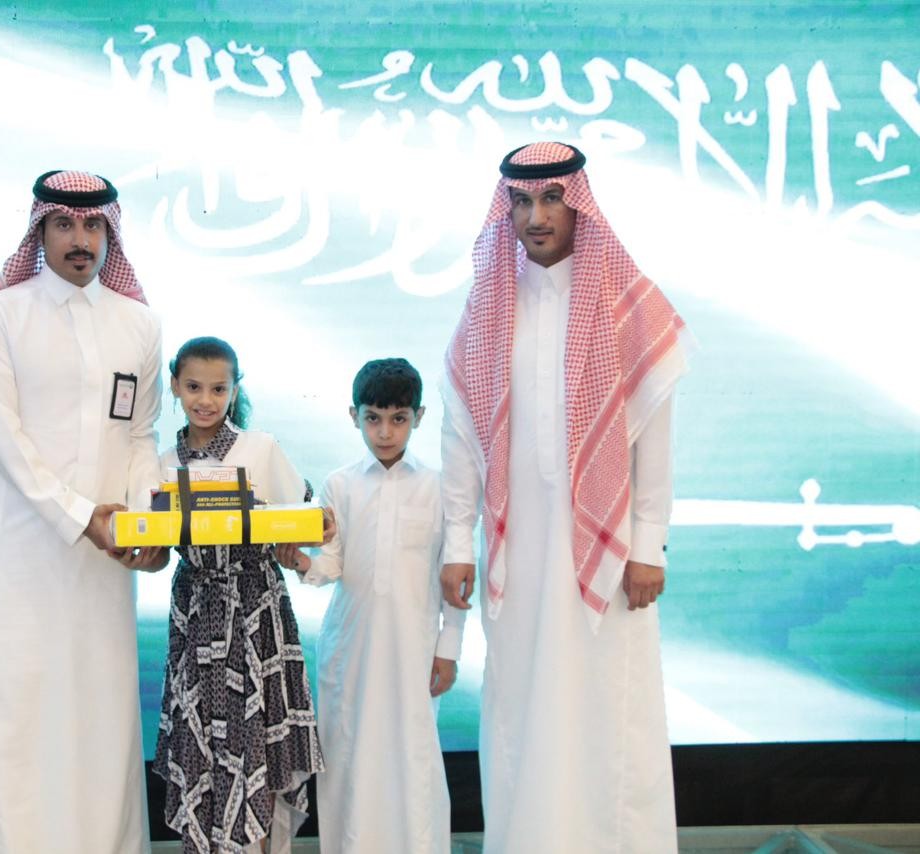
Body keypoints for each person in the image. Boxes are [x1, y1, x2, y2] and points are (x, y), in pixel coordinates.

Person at [440, 141, 695, 853]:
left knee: (612, 714)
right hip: (519, 553)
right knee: (523, 710)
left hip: (610, 561)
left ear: (578, 203)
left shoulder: (626, 303)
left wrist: (648, 544)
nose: (537, 216)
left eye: (552, 198)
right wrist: (458, 544)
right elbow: (460, 438)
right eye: (522, 202)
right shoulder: (489, 308)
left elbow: (653, 435)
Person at [0, 170, 166, 854]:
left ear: (110, 233)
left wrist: (148, 522)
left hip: (102, 569)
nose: (80, 240)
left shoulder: (139, 324)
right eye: (64, 224)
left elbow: (140, 436)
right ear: (39, 230)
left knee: (98, 728)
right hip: (14, 561)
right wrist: (81, 515)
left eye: (93, 225)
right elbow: (2, 439)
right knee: (13, 726)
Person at [278, 357, 467, 854]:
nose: (385, 432)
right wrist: (300, 561)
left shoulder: (440, 488)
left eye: (398, 418)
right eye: (373, 418)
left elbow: (454, 577)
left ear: (418, 417)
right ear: (354, 416)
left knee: (413, 759)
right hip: (351, 649)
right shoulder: (339, 484)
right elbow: (332, 564)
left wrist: (449, 648)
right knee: (349, 758)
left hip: (415, 649)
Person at [153, 336, 325, 854]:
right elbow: (152, 543)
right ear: (175, 386)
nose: (205, 400)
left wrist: (309, 532)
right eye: (193, 387)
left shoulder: (260, 448)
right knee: (203, 738)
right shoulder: (161, 461)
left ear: (234, 389)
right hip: (196, 610)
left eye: (218, 389)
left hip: (255, 606)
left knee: (260, 737)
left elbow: (308, 516)